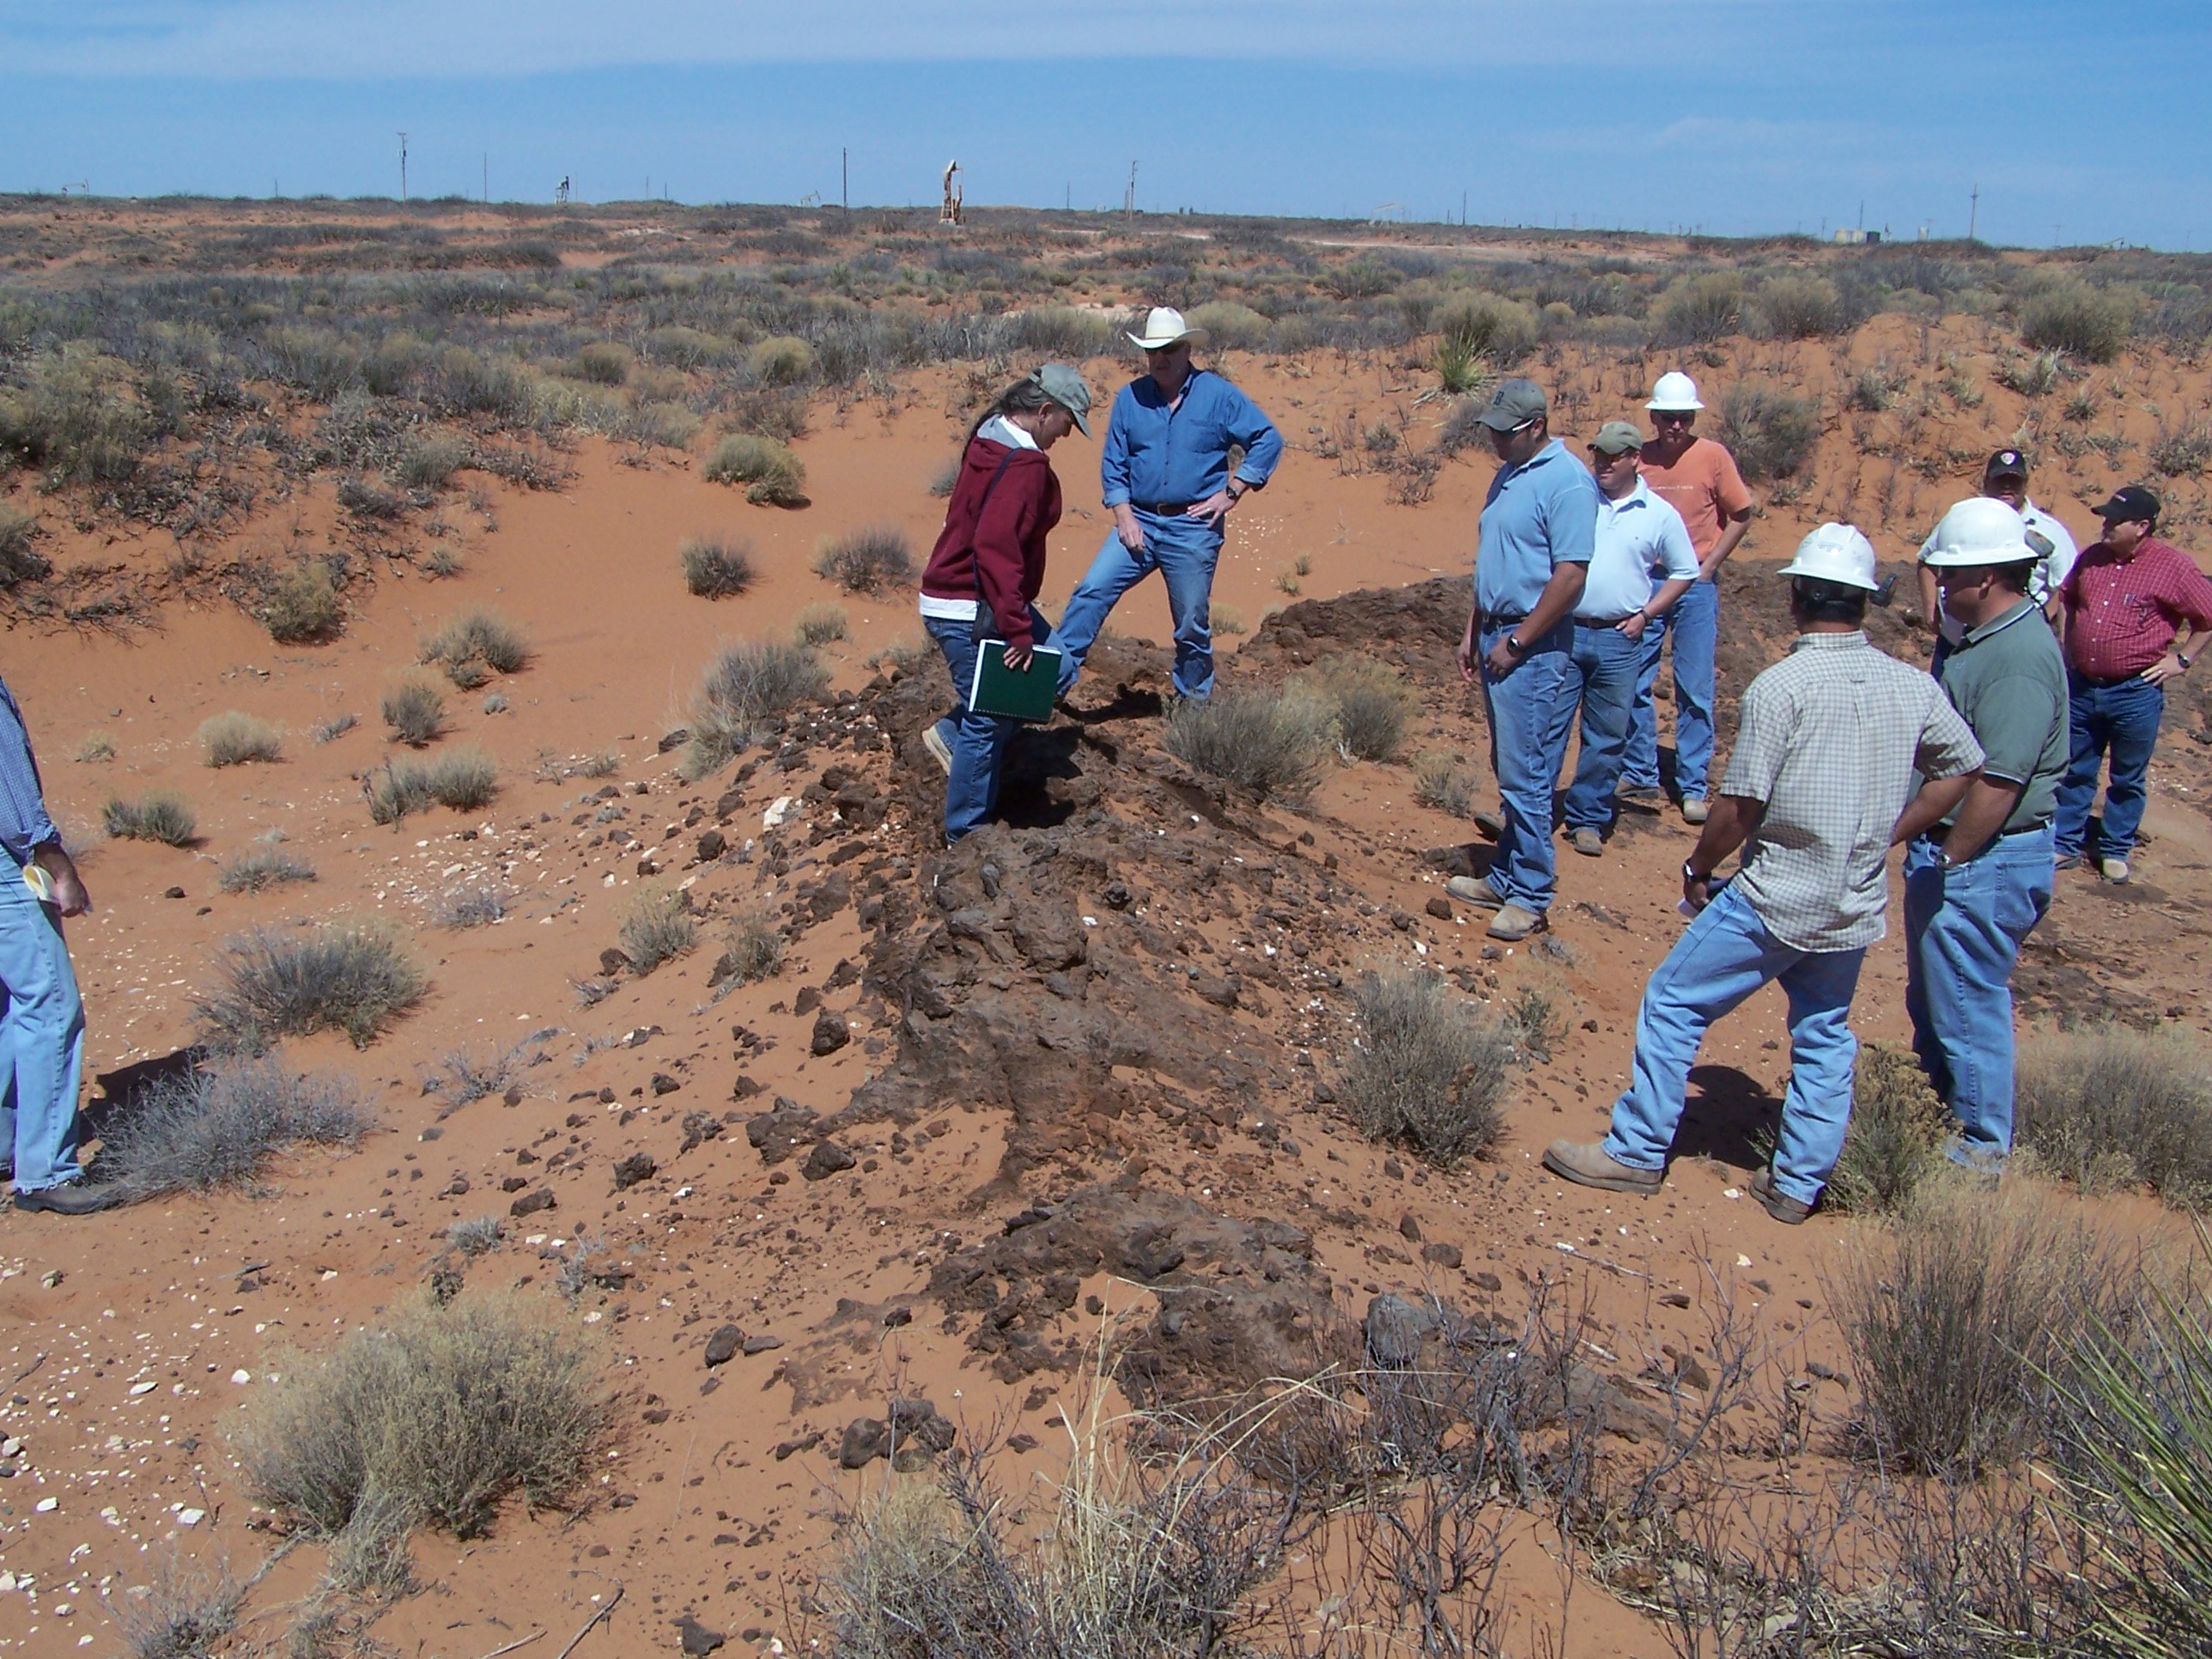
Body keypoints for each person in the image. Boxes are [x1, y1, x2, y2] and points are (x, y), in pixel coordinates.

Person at [1542, 526, 1984, 1224]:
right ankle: (1797, 1183)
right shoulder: (1913, 686)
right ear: (1865, 603)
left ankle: (1636, 1150)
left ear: (1798, 597)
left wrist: (1698, 865)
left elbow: (1740, 807)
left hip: (1777, 893)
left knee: (1673, 1001)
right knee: (1825, 1031)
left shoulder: (1784, 687)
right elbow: (1961, 765)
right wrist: (1890, 834)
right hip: (1853, 895)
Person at [1905, 498, 2069, 1177]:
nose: (1940, 585)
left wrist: (1950, 857)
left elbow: (2000, 782)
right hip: (1970, 852)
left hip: (1986, 855)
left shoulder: (2019, 660)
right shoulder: (1987, 642)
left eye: (1950, 575)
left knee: (1969, 1000)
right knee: (1943, 997)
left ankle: (1979, 1146)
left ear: (1989, 577)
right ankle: (1940, 1111)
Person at [1052, 307, 1283, 704]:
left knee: (1192, 621)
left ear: (1187, 349)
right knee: (1091, 593)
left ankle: (1192, 703)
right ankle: (1047, 687)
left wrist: (1232, 492)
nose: (1160, 359)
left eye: (1170, 349)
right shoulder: (1131, 398)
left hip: (1193, 527)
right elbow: (1114, 463)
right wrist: (1123, 515)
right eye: (1152, 351)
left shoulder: (1219, 396)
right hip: (1137, 519)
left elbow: (1268, 438)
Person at [1440, 378, 1595, 942]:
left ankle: (1530, 893)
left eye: (1506, 433)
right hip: (1497, 634)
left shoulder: (1568, 481)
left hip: (1532, 646)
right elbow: (1494, 560)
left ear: (1537, 427)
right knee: (1510, 764)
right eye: (1492, 432)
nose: (1495, 442)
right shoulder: (1509, 474)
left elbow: (1571, 575)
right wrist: (1473, 631)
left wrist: (1519, 641)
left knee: (1527, 772)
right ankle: (1505, 875)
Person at [918, 363, 1095, 843]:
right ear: (1044, 412)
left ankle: (954, 739)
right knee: (989, 717)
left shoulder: (990, 434)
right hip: (970, 606)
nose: (1065, 435)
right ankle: (966, 834)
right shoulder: (1024, 465)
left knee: (1056, 671)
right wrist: (1016, 629)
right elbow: (996, 548)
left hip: (981, 599)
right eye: (1066, 423)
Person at [1547, 421, 1698, 859]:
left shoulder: (1659, 514)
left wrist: (1647, 614)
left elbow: (1686, 570)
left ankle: (1587, 817)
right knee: (1549, 726)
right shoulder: (1579, 501)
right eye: (1599, 455)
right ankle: (1531, 812)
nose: (1603, 464)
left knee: (1608, 733)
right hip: (1567, 630)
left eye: (1614, 456)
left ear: (1635, 458)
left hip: (1620, 638)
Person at [2051, 485, 2212, 883]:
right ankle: (2065, 842)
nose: (2105, 525)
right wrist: (2067, 645)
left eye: (2115, 520)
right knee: (2075, 766)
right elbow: (2068, 598)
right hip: (2084, 685)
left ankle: (2115, 848)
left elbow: (2206, 616)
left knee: (2127, 775)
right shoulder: (2091, 558)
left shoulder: (2173, 567)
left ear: (2142, 526)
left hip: (2134, 691)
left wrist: (2182, 659)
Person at [1622, 371, 1753, 824]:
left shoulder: (1712, 456)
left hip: (1695, 586)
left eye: (1683, 418)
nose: (1675, 426)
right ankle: (1639, 770)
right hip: (1648, 581)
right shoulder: (1640, 459)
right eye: (1667, 418)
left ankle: (1692, 784)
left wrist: (1710, 565)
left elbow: (1742, 512)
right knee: (1635, 678)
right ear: (1654, 418)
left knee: (1695, 685)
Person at [0, 674, 108, 1214]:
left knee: (8, 1004)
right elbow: (12, 797)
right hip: (7, 866)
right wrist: (55, 863)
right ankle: (44, 1172)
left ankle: (7, 1142)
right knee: (49, 1006)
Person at [1915, 448, 2079, 671]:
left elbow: (2065, 586)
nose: (2007, 487)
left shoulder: (2049, 531)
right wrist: (1931, 612)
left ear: (2026, 483)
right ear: (1986, 482)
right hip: (1955, 641)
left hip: (2013, 646)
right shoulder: (1962, 520)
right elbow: (1927, 560)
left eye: (2014, 481)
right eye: (2000, 480)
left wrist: (2042, 622)